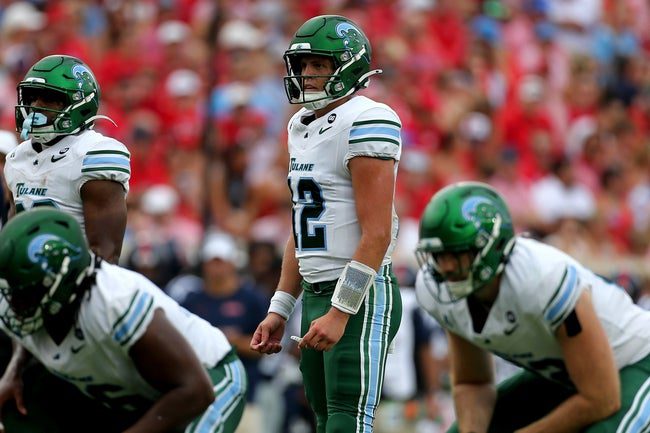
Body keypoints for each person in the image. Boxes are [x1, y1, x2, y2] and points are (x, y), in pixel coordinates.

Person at [250, 14, 403, 433]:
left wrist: (340, 310)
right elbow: (302, 228)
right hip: (316, 294)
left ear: (348, 66)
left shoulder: (369, 118)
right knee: (323, 420)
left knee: (347, 422)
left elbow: (377, 233)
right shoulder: (299, 125)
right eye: (303, 65)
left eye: (319, 65)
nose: (307, 74)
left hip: (359, 296)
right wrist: (280, 307)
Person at [414, 181, 650, 433]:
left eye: (457, 254)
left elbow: (602, 399)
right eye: (439, 256)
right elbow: (473, 381)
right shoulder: (437, 289)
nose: (446, 267)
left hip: (633, 363)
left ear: (491, 246)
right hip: (564, 376)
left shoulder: (542, 279)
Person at [0, 208, 247, 433]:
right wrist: (15, 370)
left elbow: (195, 390)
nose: (14, 304)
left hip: (207, 378)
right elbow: (29, 329)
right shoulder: (30, 302)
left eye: (24, 293)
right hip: (137, 395)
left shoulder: (114, 302)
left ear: (61, 281)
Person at [4, 54, 130, 264]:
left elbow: (105, 256)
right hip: (26, 282)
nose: (36, 106)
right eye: (32, 97)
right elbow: (13, 238)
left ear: (80, 102)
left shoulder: (93, 154)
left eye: (49, 99)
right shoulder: (17, 158)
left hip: (77, 284)